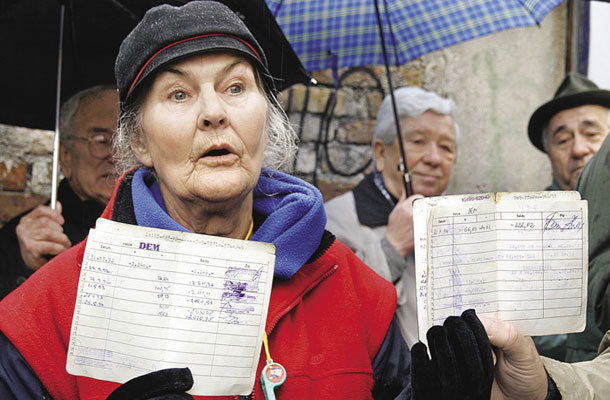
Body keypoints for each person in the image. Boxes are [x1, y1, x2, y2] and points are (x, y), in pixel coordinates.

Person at [0, 2, 422, 398]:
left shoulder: (354, 292)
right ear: (138, 141)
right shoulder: (45, 316)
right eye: (178, 94)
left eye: (236, 86)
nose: (214, 112)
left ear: (269, 122)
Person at [325, 86, 459, 346]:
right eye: (418, 141)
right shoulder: (334, 221)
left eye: (446, 147)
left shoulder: (453, 224)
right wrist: (392, 247)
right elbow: (332, 316)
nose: (433, 158)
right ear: (381, 153)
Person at [0, 84, 119, 299]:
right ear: (65, 155)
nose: (116, 155)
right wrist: (28, 268)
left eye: (126, 141)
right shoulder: (23, 243)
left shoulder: (156, 225)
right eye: (101, 141)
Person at [528, 72, 610, 362]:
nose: (578, 149)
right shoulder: (527, 228)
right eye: (563, 140)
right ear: (549, 157)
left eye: (592, 134)